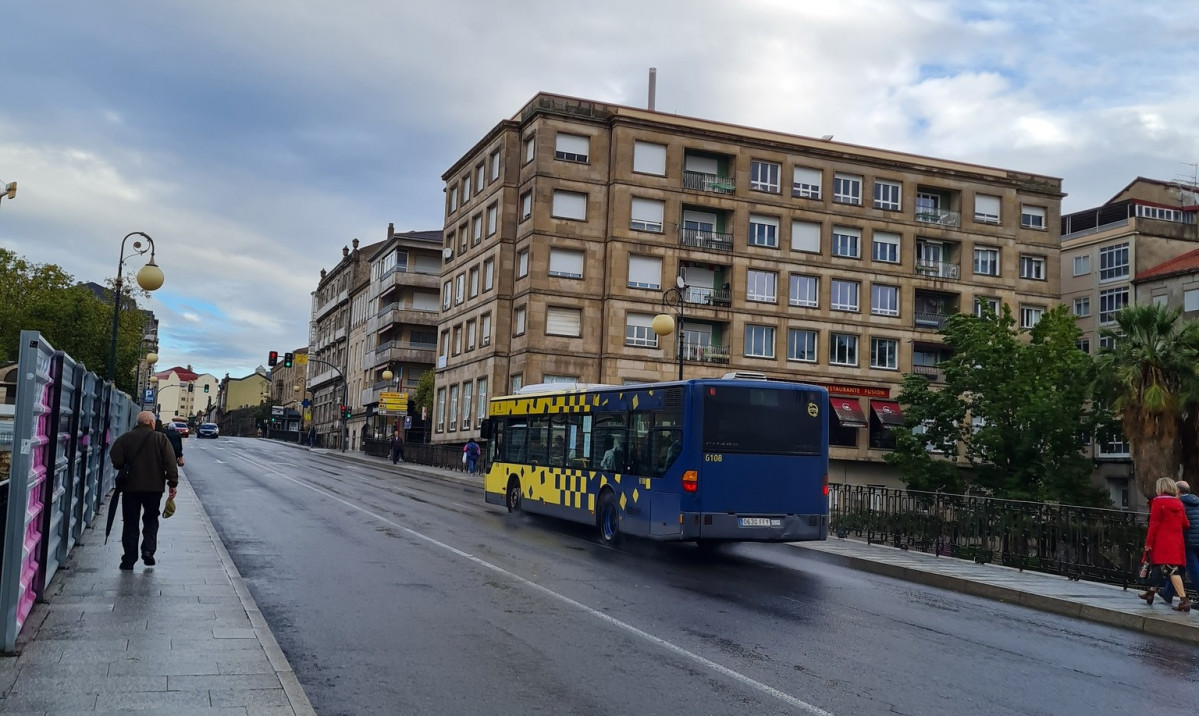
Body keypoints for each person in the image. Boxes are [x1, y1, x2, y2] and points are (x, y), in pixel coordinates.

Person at [110, 411, 179, 570]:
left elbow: (116, 458)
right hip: (154, 489)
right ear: (152, 423)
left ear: (138, 422)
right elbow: (170, 463)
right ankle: (148, 550)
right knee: (151, 519)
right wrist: (172, 483)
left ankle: (129, 559)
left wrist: (123, 466)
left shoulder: (125, 438)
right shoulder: (160, 439)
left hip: (130, 488)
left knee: (130, 522)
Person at [1139, 477, 1191, 612]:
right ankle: (1150, 593)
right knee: (1159, 566)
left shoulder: (1158, 501)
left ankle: (1184, 600)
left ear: (1160, 488)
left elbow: (1154, 524)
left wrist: (1148, 543)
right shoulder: (1178, 503)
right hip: (1176, 541)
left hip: (1162, 541)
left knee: (1171, 570)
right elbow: (1186, 524)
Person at [1158, 480, 1199, 604]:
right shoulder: (1197, 502)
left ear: (1178, 491)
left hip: (1187, 541)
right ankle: (1168, 592)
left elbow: (1181, 523)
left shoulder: (1178, 504)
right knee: (1178, 567)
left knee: (1193, 569)